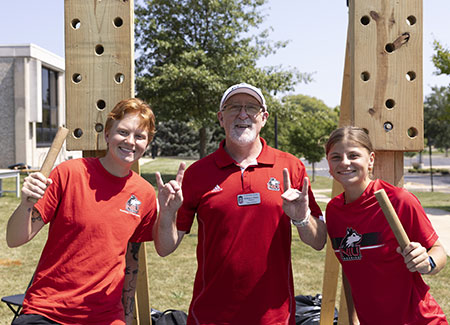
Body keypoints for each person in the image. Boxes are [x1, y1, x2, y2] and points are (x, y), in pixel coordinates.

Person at [153, 83, 327, 324]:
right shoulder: (197, 174)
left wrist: (302, 218)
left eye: (252, 108)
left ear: (263, 118)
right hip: (211, 316)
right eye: (234, 107)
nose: (243, 114)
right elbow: (165, 248)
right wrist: (167, 214)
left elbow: (319, 242)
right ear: (221, 118)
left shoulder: (291, 166)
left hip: (274, 318)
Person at [6, 98, 158, 325]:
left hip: (104, 317)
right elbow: (15, 239)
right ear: (107, 134)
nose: (130, 141)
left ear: (147, 142)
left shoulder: (144, 193)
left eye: (139, 136)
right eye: (123, 132)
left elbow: (131, 261)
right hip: (48, 310)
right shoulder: (69, 173)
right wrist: (26, 205)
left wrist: (126, 316)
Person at [325, 126, 448, 325]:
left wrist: (428, 263)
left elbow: (438, 250)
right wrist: (353, 319)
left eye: (354, 155)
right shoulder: (334, 212)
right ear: (329, 163)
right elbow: (350, 269)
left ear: (370, 159)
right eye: (336, 157)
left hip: (418, 320)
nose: (345, 163)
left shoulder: (399, 200)